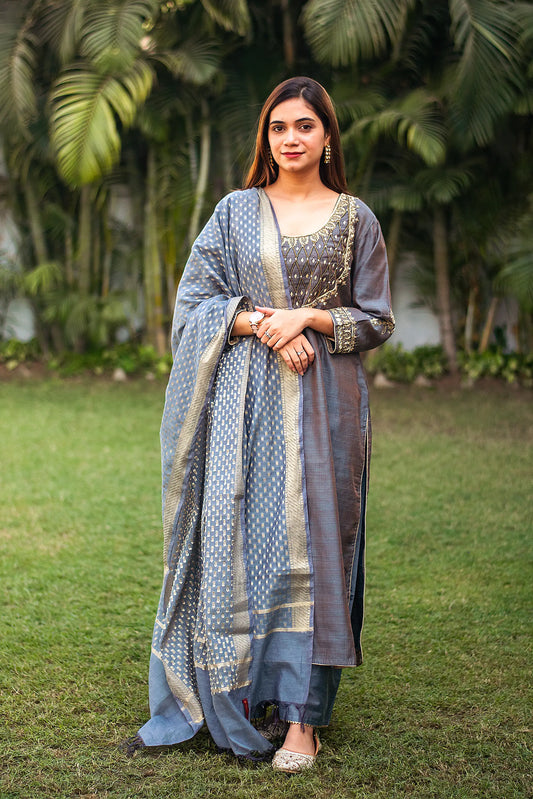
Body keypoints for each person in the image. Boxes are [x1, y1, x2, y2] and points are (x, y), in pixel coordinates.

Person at [130, 76, 394, 772]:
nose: (291, 138)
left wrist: (306, 316)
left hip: (327, 405)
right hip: (241, 405)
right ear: (266, 139)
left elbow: (375, 319)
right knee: (244, 541)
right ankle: (239, 691)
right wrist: (261, 324)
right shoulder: (234, 212)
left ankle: (303, 717)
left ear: (327, 135)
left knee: (320, 552)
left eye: (304, 125)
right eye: (278, 127)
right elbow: (196, 301)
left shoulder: (354, 217)